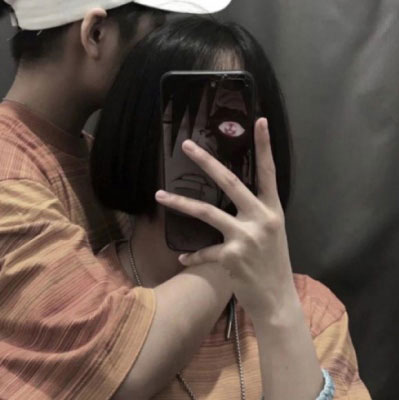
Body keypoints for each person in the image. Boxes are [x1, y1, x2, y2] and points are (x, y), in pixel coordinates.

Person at [91, 17, 372, 399]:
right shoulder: (81, 302)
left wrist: (277, 310)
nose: (205, 147)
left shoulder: (310, 313)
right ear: (135, 128)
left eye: (231, 125)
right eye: (186, 117)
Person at [0, 1, 242, 399]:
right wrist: (238, 248)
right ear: (95, 34)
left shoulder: (90, 156)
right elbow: (119, 364)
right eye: (156, 31)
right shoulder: (9, 176)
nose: (162, 51)